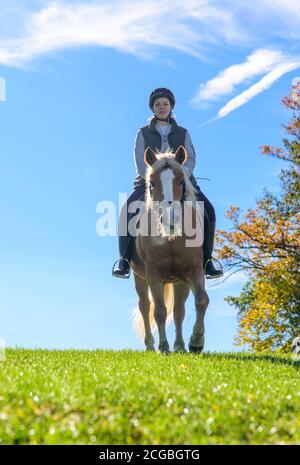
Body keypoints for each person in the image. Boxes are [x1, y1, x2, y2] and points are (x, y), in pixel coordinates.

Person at [112, 87, 223, 279]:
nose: (161, 107)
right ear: (152, 109)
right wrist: (153, 177)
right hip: (150, 182)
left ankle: (208, 261)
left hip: (181, 181)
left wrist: (182, 175)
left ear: (171, 107)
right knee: (126, 210)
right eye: (157, 104)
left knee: (209, 210)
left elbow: (191, 159)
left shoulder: (183, 132)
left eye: (165, 103)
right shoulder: (142, 133)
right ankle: (123, 260)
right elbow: (140, 161)